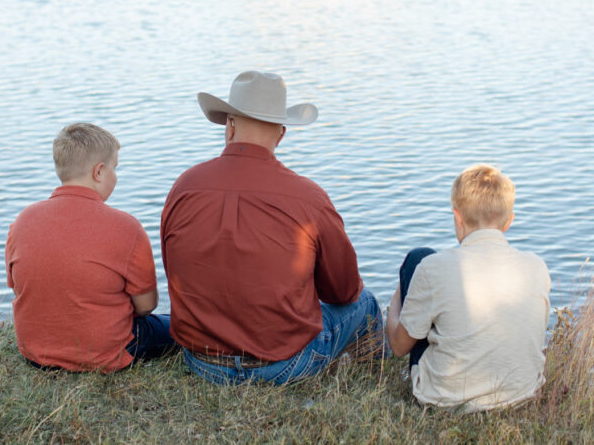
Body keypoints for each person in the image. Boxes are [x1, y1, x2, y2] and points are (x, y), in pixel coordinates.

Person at [161, 71, 384, 384]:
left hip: (202, 362)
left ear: (229, 126)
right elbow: (343, 291)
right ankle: (376, 383)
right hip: (285, 364)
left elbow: (175, 270)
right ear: (281, 134)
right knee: (366, 303)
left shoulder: (184, 187)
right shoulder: (308, 197)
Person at [6, 123, 177, 372]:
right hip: (105, 352)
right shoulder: (126, 227)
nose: (116, 176)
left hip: (35, 352)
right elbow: (146, 306)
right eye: (115, 168)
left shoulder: (22, 221)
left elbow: (17, 287)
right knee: (177, 327)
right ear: (99, 172)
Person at [386, 164, 550, 412]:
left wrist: (399, 296)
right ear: (508, 222)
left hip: (447, 399)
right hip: (522, 393)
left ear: (457, 217)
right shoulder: (536, 267)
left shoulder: (432, 268)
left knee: (418, 257)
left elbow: (398, 347)